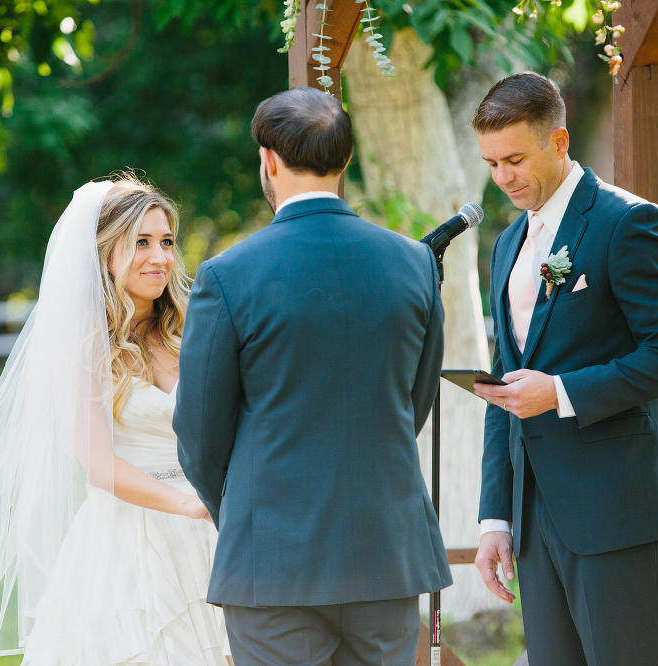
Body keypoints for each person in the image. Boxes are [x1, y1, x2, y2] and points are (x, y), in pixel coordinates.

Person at [175, 86, 452, 666]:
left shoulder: (227, 276)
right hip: (387, 553)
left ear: (268, 161)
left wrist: (245, 514)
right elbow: (415, 403)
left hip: (274, 562)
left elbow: (200, 434)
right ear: (346, 160)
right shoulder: (415, 263)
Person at [0, 175, 231, 665]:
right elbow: (99, 466)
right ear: (104, 252)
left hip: (216, 529)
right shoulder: (79, 345)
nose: (159, 257)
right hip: (133, 535)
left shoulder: (193, 326)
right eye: (141, 243)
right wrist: (190, 507)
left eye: (166, 242)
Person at [470, 72, 658, 665]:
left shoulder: (626, 222)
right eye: (491, 164)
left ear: (559, 142)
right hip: (535, 518)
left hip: (617, 509)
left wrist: (560, 392)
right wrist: (495, 519)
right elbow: (503, 387)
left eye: (514, 159)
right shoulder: (506, 244)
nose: (503, 178)